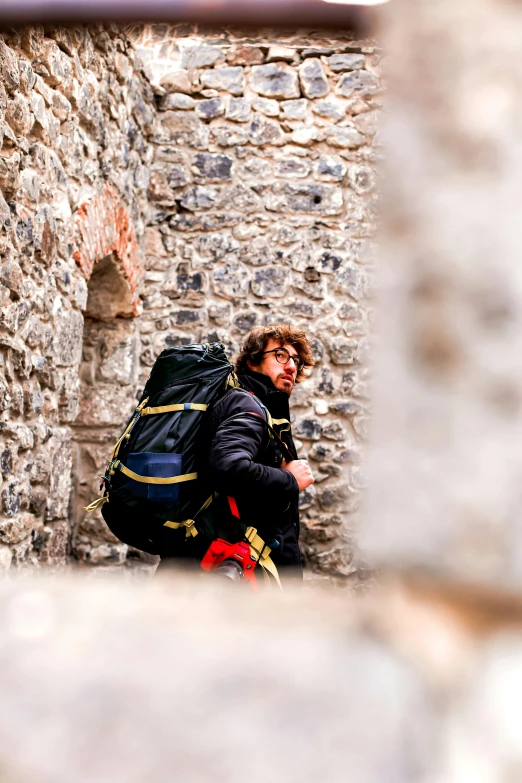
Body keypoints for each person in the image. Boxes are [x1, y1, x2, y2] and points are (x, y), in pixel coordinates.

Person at [199, 324, 315, 584]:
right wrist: (290, 480)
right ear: (252, 361)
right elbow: (228, 467)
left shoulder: (263, 407)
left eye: (295, 360)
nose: (292, 367)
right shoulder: (247, 405)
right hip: (236, 573)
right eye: (280, 356)